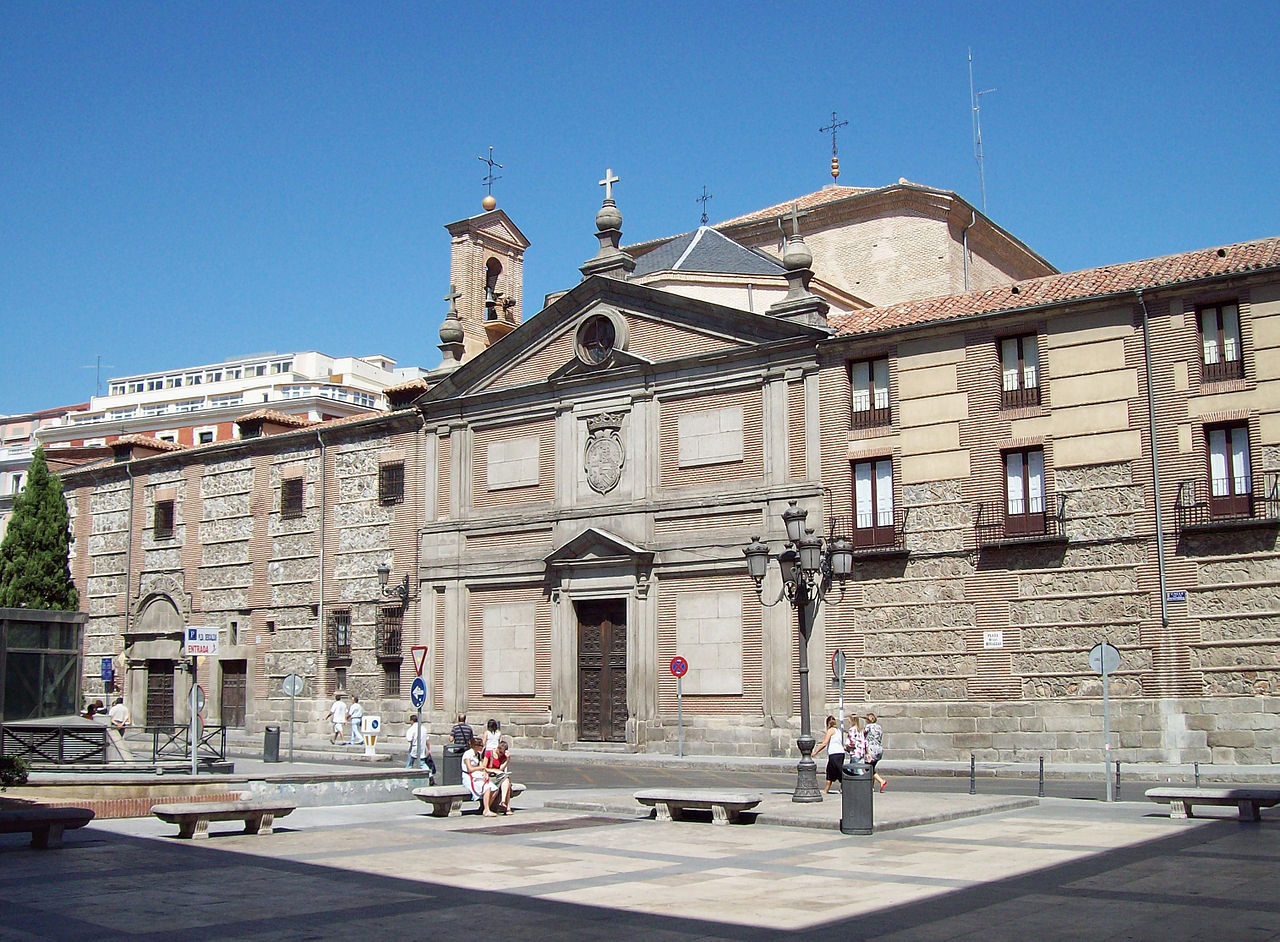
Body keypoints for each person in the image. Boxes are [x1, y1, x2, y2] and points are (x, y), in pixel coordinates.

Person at [813, 715, 845, 795]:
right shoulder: (838, 731)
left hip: (834, 754)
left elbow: (825, 743)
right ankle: (826, 790)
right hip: (840, 753)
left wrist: (816, 752)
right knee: (831, 771)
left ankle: (845, 786)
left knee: (838, 772)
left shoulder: (830, 731)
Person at [462, 736, 492, 815]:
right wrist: (480, 767)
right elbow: (470, 769)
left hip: (477, 775)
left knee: (493, 787)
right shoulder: (467, 754)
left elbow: (482, 767)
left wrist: (485, 773)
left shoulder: (478, 754)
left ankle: (487, 806)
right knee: (486, 787)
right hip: (469, 777)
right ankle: (486, 809)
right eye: (481, 746)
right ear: (475, 746)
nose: (482, 747)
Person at [483, 739, 513, 814]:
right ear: (497, 748)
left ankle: (503, 801)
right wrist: (493, 770)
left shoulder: (503, 756)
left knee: (506, 780)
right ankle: (507, 807)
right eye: (499, 752)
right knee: (506, 780)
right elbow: (483, 767)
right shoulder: (489, 753)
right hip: (489, 775)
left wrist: (507, 760)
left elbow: (501, 769)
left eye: (502, 753)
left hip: (498, 776)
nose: (500, 754)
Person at [405, 715, 437, 782]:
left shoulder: (411, 729)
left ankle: (406, 777)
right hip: (422, 748)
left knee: (409, 764)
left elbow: (409, 739)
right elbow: (427, 740)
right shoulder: (423, 728)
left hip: (414, 748)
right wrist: (429, 749)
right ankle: (430, 775)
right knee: (422, 763)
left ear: (411, 721)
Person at [864, 711, 887, 792]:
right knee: (872, 767)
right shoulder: (879, 727)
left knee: (868, 768)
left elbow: (862, 733)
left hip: (871, 749)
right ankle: (871, 787)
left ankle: (881, 781)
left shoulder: (868, 726)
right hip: (879, 749)